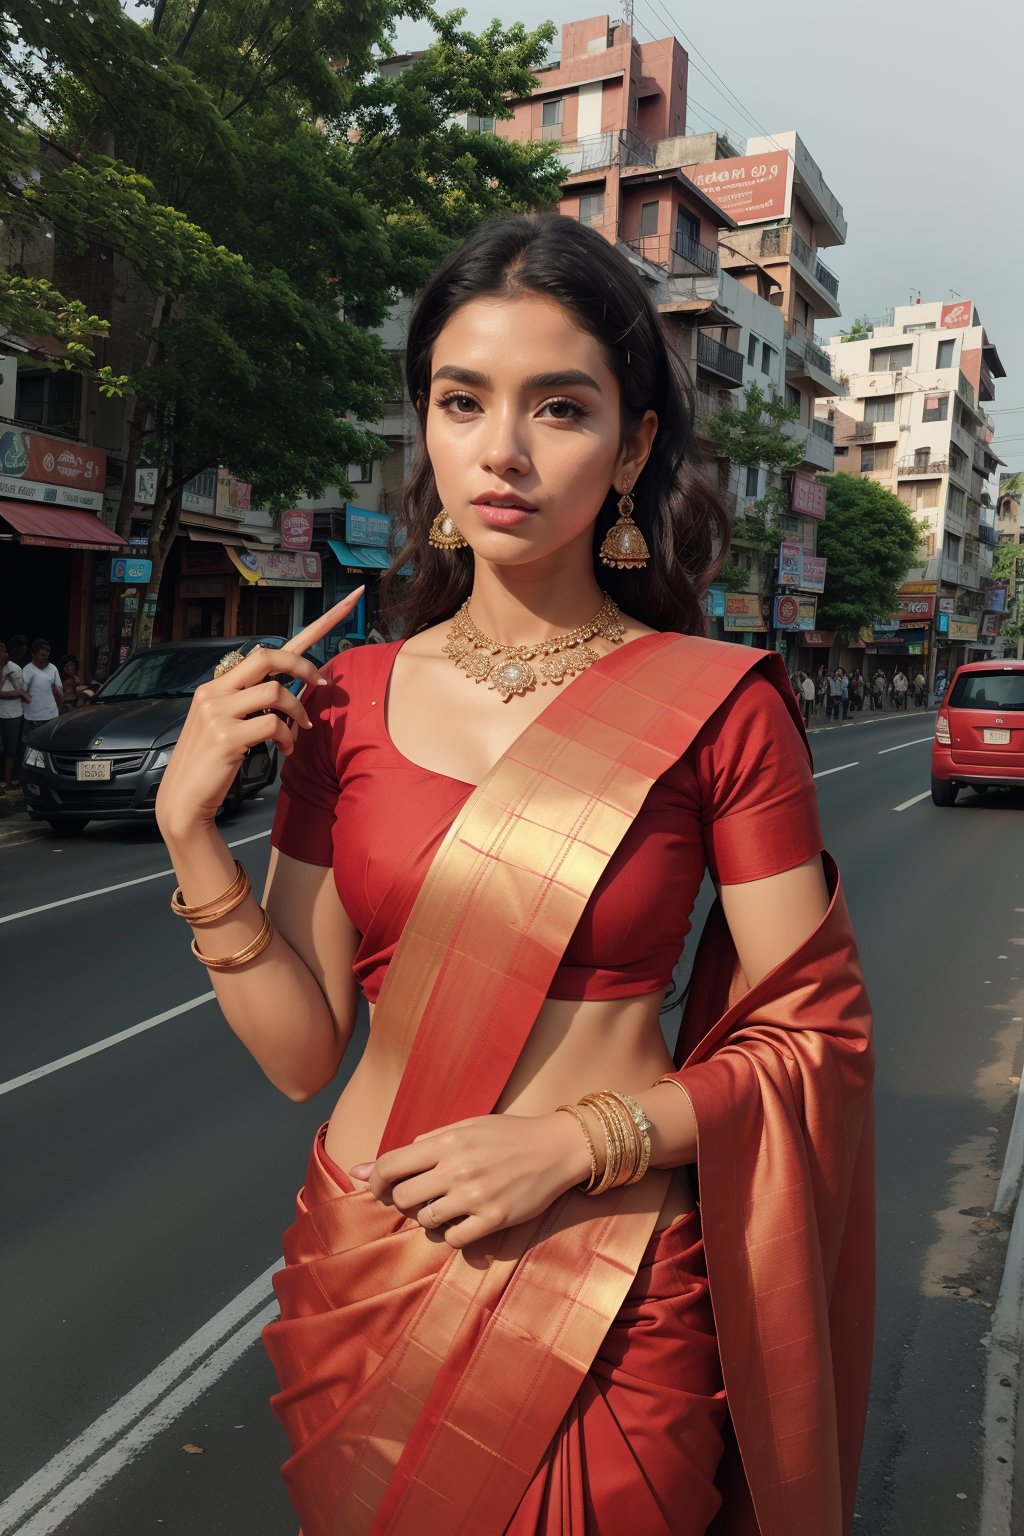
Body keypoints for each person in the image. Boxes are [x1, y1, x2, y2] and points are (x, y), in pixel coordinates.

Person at [155, 214, 873, 1536]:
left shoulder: (720, 709)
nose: (502, 451)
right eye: (461, 400)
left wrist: (575, 1144)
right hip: (370, 1266)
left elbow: (814, 1042)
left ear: (636, 444)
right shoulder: (349, 705)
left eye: (560, 407)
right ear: (424, 425)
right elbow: (307, 1052)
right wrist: (195, 837)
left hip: (604, 1288)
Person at [21, 639, 63, 743]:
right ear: (33, 654)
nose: (45, 658)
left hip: (51, 716)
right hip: (32, 718)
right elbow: (22, 693)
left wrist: (57, 709)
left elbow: (60, 692)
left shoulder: (53, 668)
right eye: (41, 655)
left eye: (46, 655)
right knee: (32, 746)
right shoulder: (27, 669)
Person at [0, 638, 27, 791]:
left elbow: (22, 692)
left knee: (11, 749)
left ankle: (8, 780)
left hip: (13, 714)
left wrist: (6, 694)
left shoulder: (15, 669)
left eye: (3, 652)